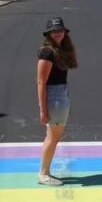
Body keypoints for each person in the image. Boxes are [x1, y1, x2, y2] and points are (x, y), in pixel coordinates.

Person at [37, 17, 78, 186]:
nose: (58, 33)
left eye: (60, 30)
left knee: (53, 137)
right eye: (54, 31)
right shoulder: (47, 52)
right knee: (53, 138)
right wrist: (43, 109)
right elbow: (41, 82)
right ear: (48, 33)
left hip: (61, 93)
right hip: (54, 96)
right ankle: (43, 174)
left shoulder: (60, 49)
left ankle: (45, 171)